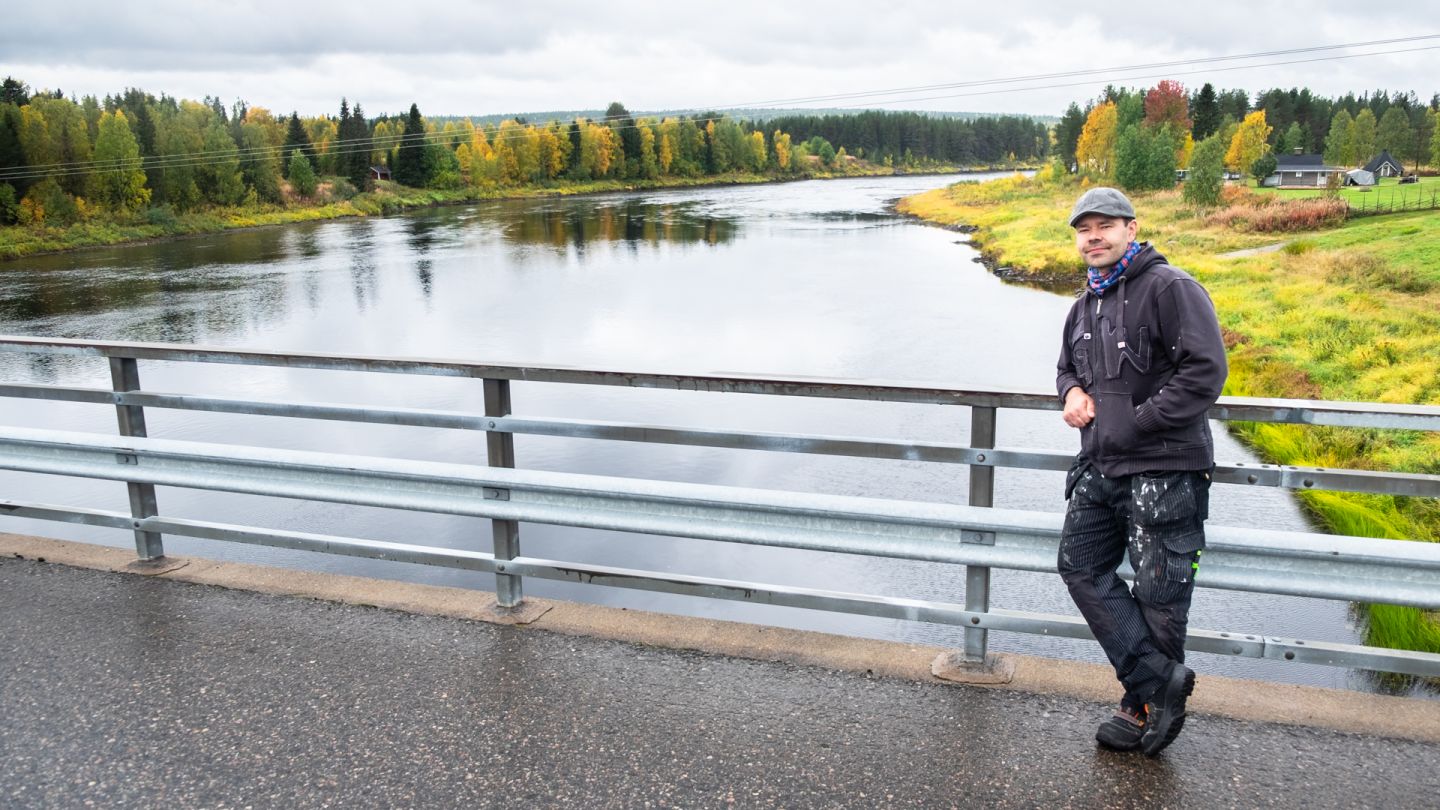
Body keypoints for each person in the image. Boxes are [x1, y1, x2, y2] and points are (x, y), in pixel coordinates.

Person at [1054, 187, 1227, 756]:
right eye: (1085, 229)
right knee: (1079, 566)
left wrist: (1140, 422)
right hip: (1100, 465)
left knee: (1159, 593)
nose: (1093, 236)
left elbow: (1204, 372)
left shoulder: (1171, 288)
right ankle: (1158, 681)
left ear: (1132, 228)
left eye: (1105, 225)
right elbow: (1064, 370)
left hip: (1166, 469)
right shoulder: (1084, 305)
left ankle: (1140, 709)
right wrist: (1072, 391)